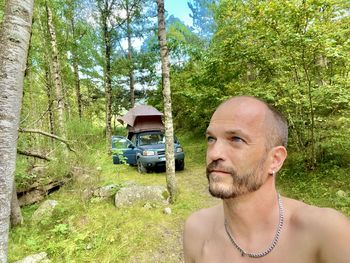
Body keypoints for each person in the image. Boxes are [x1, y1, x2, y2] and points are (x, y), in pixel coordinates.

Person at [183, 96, 350, 263]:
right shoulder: (197, 230)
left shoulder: (326, 233)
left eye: (236, 139)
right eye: (211, 139)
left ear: (275, 160)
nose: (214, 153)